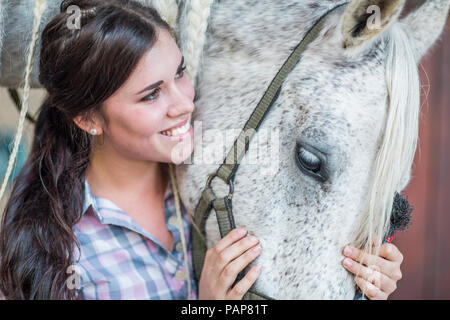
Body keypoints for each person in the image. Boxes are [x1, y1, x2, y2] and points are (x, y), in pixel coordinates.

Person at [0, 0, 403, 300]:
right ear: (90, 119)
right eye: (151, 95)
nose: (184, 104)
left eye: (179, 73)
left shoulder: (210, 181)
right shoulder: (67, 254)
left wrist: (356, 275)